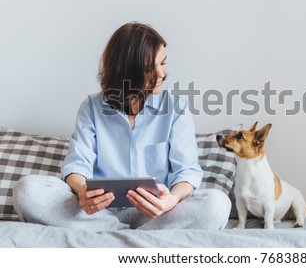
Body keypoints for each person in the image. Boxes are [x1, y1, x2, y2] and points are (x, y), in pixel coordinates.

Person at [13, 22, 231, 231]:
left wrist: (171, 200)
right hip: (98, 213)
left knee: (217, 204)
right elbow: (77, 165)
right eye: (149, 68)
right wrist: (82, 192)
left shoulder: (176, 107)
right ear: (124, 71)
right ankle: (128, 233)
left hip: (159, 214)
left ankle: (111, 235)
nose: (161, 74)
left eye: (163, 63)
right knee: (27, 190)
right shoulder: (91, 108)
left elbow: (187, 171)